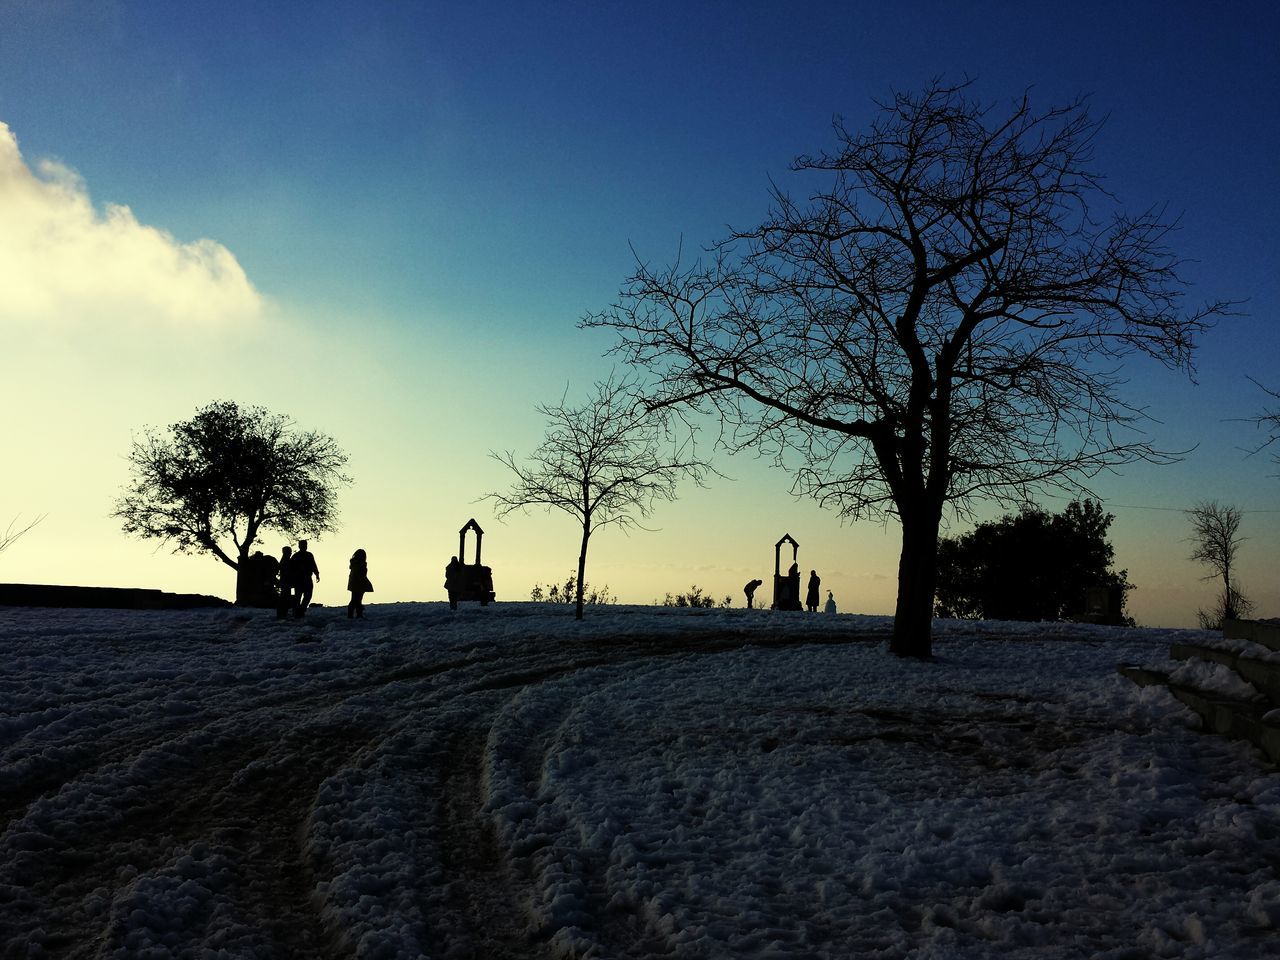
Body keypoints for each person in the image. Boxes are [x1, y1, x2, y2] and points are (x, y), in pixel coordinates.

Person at [292, 539, 321, 617]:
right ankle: (297, 611)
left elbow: (313, 565)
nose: (305, 546)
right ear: (299, 546)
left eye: (306, 545)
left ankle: (301, 610)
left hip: (307, 578)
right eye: (303, 545)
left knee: (308, 595)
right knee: (298, 596)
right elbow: (291, 568)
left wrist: (317, 574)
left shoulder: (309, 555)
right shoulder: (296, 556)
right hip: (299, 579)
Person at [347, 548, 372, 619]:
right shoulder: (360, 564)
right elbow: (361, 574)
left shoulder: (354, 563)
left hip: (355, 583)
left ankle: (355, 614)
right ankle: (356, 614)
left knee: (355, 600)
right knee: (356, 600)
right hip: (359, 583)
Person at [276, 545, 295, 620]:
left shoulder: (284, 560)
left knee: (284, 597)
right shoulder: (286, 560)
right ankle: (282, 613)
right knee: (284, 597)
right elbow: (287, 572)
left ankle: (283, 613)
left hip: (285, 582)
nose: (290, 553)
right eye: (289, 552)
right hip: (286, 582)